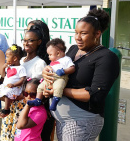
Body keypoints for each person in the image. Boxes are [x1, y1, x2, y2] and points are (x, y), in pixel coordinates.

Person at [43, 9, 119, 140]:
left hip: (81, 121)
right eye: (76, 33)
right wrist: (47, 72)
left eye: (83, 33)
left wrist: (58, 90)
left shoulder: (106, 57)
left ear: (97, 34)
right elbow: (60, 67)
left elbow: (94, 95)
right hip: (63, 120)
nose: (78, 37)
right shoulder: (73, 49)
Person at [0, 26, 48, 141]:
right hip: (10, 105)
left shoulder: (39, 63)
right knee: (6, 136)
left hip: (25, 107)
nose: (26, 43)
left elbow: (37, 89)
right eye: (25, 40)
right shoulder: (19, 61)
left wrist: (19, 97)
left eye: (31, 40)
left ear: (39, 42)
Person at [25, 20, 54, 141]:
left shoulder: (44, 62)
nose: (29, 33)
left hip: (38, 109)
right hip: (23, 105)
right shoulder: (22, 58)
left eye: (33, 30)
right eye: (27, 31)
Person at [28, 38, 75, 111]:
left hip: (60, 78)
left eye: (50, 54)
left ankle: (55, 102)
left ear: (58, 53)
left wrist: (64, 71)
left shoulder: (66, 59)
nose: (48, 57)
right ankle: (38, 99)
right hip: (50, 78)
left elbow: (72, 68)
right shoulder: (54, 60)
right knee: (40, 86)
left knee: (58, 87)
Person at [0, 45, 26, 123]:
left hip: (15, 88)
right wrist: (3, 68)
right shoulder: (8, 67)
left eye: (7, 56)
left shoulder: (21, 68)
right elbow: (3, 76)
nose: (6, 58)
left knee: (6, 93)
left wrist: (14, 85)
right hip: (5, 86)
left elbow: (23, 80)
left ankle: (6, 109)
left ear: (15, 58)